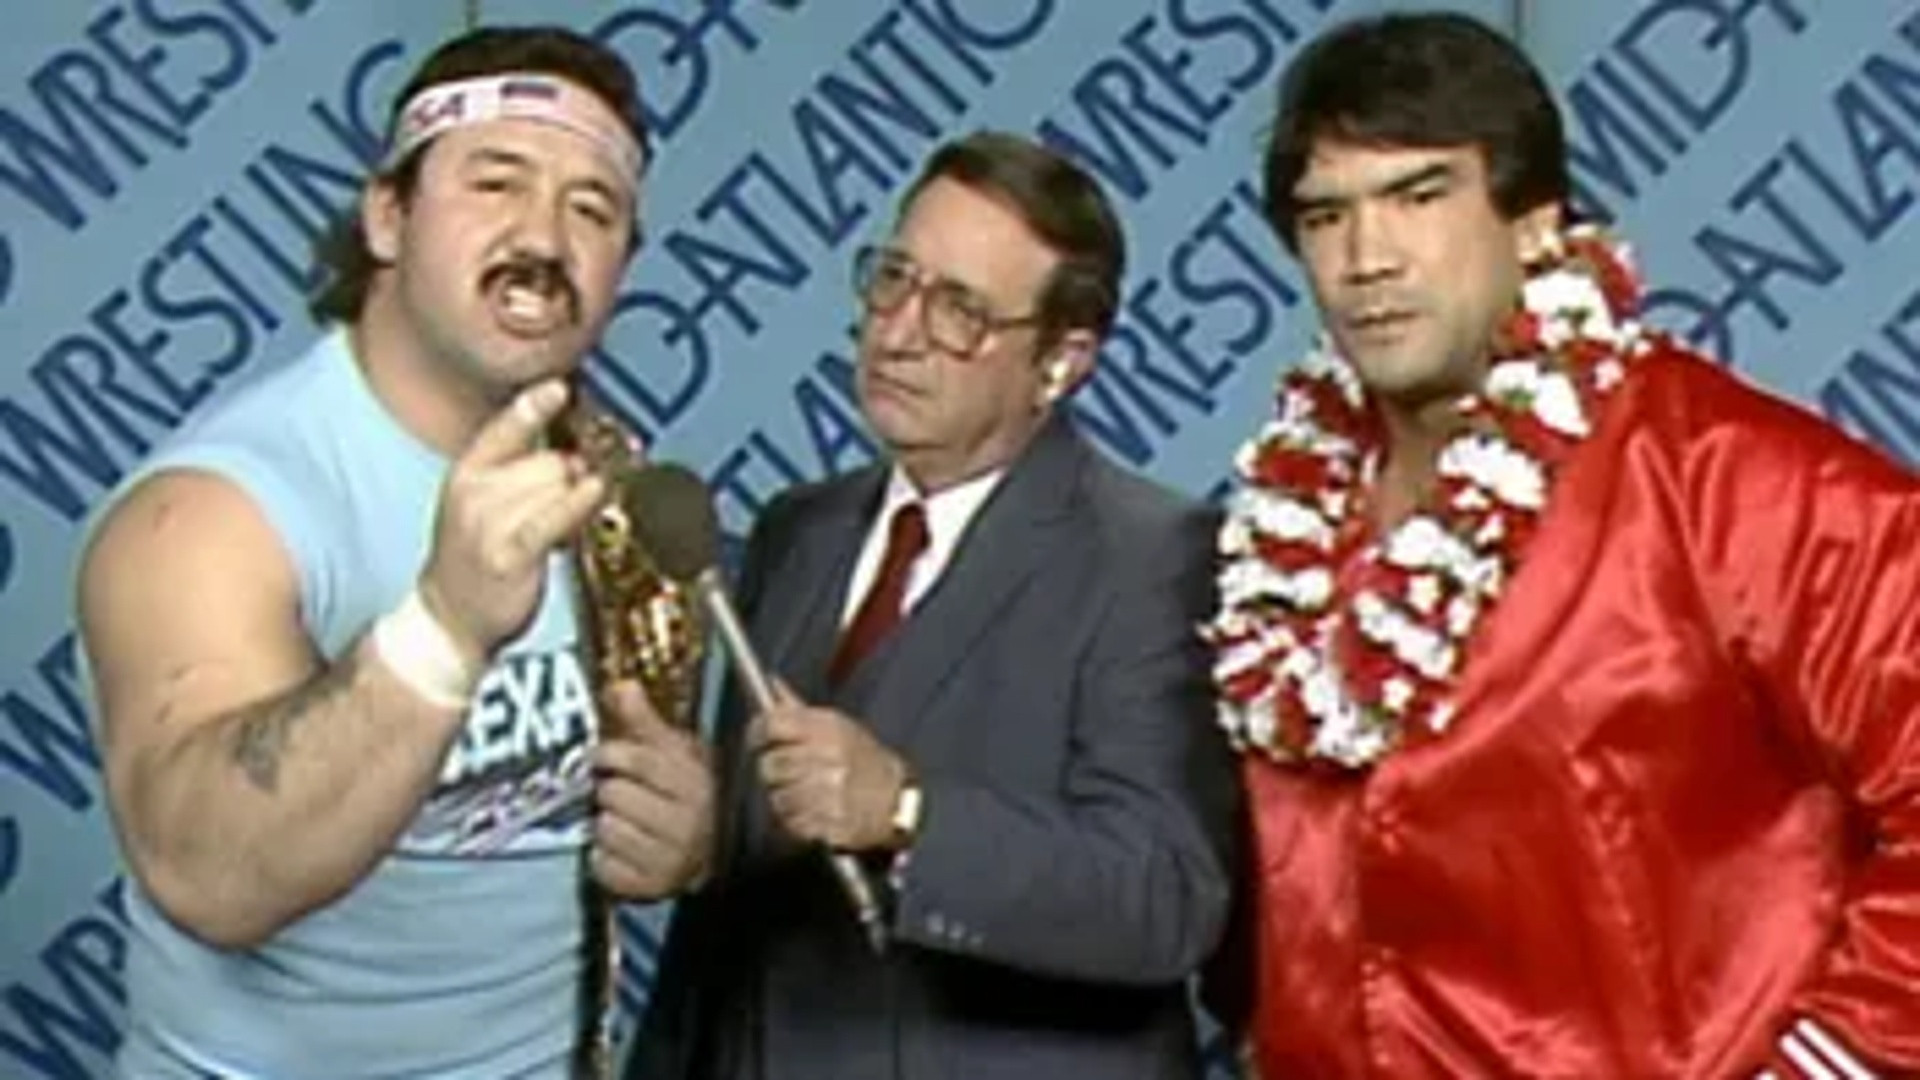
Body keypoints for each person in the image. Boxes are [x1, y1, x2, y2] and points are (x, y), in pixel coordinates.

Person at [1202, 10, 1920, 1079]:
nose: (1366, 259)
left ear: (1536, 223)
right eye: (1326, 216)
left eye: (1420, 197)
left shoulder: (1737, 479)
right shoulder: (1295, 519)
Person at [77, 26, 714, 1078]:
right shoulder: (212, 511)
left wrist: (675, 834)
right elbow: (206, 873)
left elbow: (601, 808)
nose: (543, 237)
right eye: (496, 183)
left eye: (592, 210)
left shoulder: (604, 485)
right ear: (387, 217)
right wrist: (443, 631)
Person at [627, 130, 1239, 1080]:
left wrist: (909, 812)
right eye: (894, 280)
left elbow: (1165, 897)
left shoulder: (1160, 558)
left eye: (960, 310)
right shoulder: (797, 529)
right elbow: (752, 899)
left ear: (1062, 361)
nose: (899, 333)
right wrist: (705, 847)